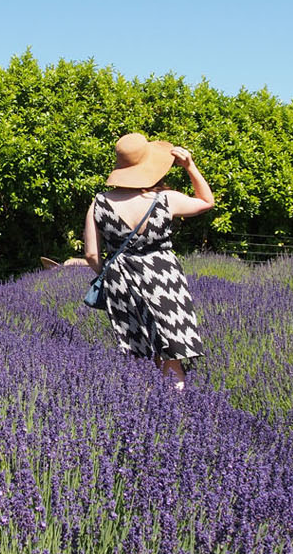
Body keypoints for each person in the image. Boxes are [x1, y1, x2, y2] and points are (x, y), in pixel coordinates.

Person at [82, 133, 214, 389]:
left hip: (121, 282)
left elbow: (91, 254)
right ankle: (179, 408)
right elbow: (206, 202)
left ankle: (145, 409)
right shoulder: (164, 199)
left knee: (139, 351)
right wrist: (190, 166)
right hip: (163, 278)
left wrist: (110, 274)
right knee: (171, 347)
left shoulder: (99, 203)